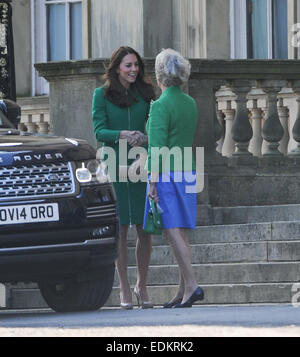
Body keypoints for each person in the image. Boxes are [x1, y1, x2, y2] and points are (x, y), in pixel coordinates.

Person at [92, 46, 156, 309]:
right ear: (117, 67)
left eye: (136, 65)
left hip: (141, 164)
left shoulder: (147, 94)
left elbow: (155, 128)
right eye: (128, 65)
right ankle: (125, 287)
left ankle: (142, 284)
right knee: (121, 229)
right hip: (115, 165)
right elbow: (99, 130)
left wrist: (144, 137)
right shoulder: (101, 95)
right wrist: (123, 135)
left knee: (144, 227)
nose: (133, 70)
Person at [144, 48, 204, 308]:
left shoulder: (159, 106)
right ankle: (183, 291)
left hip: (167, 172)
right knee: (181, 230)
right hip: (188, 169)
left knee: (170, 227)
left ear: (159, 76)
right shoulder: (189, 103)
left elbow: (156, 147)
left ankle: (191, 285)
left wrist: (151, 181)